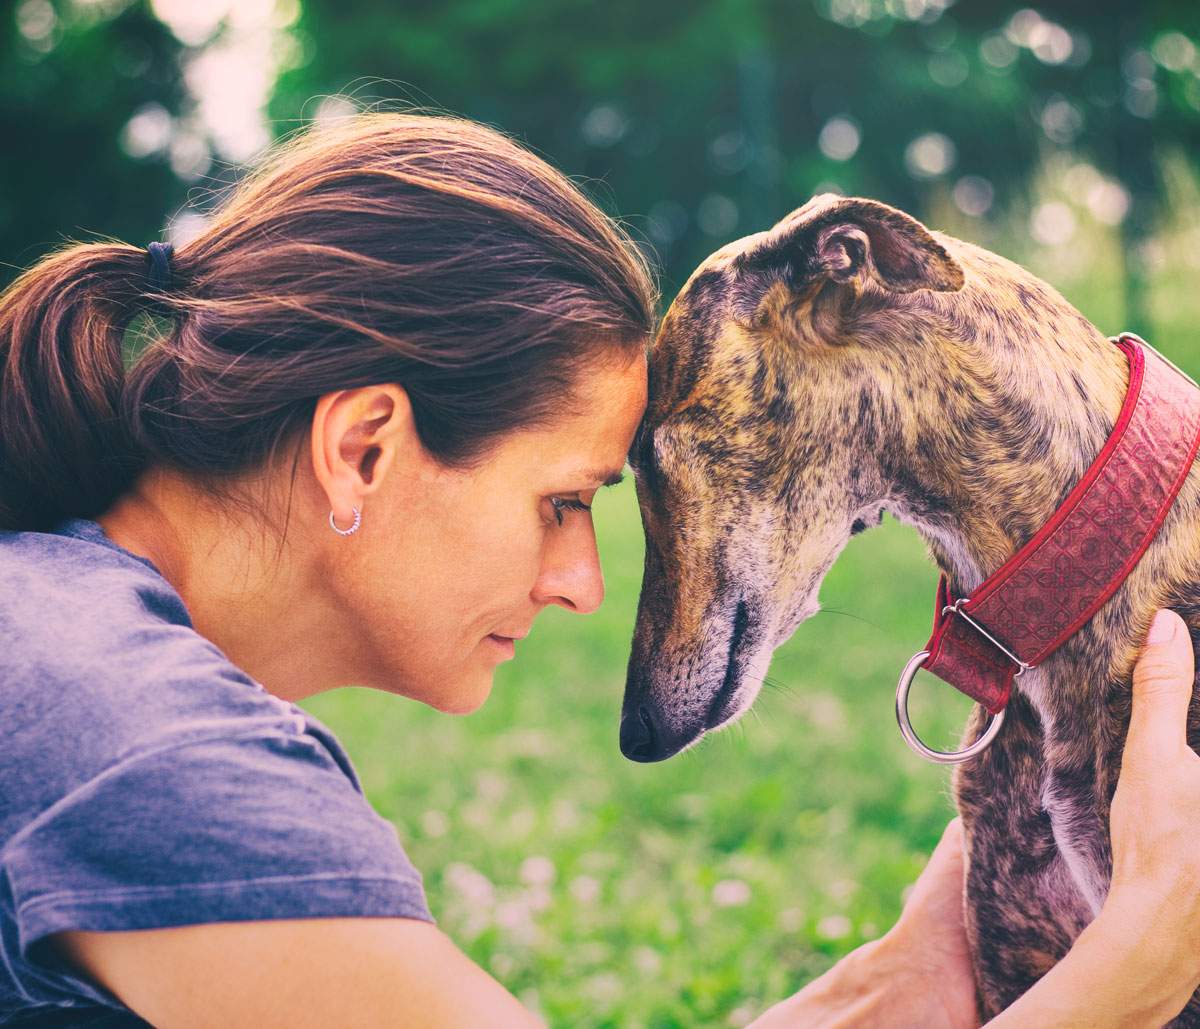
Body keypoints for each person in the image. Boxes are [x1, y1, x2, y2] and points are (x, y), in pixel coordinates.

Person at [0, 111, 1197, 1027]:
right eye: (563, 503)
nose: (582, 581)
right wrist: (1123, 981)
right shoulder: (160, 758)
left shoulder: (64, 639)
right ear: (361, 447)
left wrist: (882, 989)